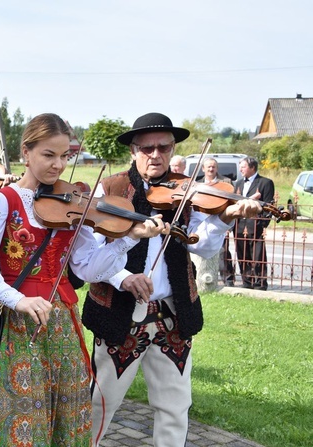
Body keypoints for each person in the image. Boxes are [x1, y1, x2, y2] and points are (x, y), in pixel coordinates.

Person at [0, 113, 168, 446]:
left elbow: (87, 269)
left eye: (65, 156)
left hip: (62, 323)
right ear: (26, 153)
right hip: (19, 322)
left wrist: (129, 238)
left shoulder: (72, 206)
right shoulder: (0, 202)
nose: (58, 165)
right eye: (48, 155)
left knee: (67, 412)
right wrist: (16, 298)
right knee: (22, 414)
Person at [82, 112, 263, 447]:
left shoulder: (187, 191)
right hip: (121, 312)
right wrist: (123, 278)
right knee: (101, 402)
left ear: (172, 148)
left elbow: (202, 244)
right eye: (147, 148)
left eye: (163, 147)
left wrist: (224, 218)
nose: (156, 154)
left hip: (172, 314)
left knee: (175, 406)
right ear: (133, 151)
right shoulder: (112, 188)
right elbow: (90, 254)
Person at [234, 156, 274, 290]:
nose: (240, 169)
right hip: (239, 225)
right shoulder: (238, 183)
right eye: (240, 167)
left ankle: (260, 283)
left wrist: (262, 224)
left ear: (252, 168)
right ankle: (247, 282)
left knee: (258, 256)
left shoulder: (265, 182)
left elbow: (268, 205)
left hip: (255, 225)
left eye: (243, 167)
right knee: (242, 255)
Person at [202, 158, 236, 286]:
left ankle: (228, 280)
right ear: (203, 169)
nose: (211, 169)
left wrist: (227, 221)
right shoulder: (197, 183)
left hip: (220, 222)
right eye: (208, 167)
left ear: (217, 168)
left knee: (223, 252)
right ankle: (206, 279)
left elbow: (231, 202)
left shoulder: (226, 182)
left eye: (213, 167)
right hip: (202, 222)